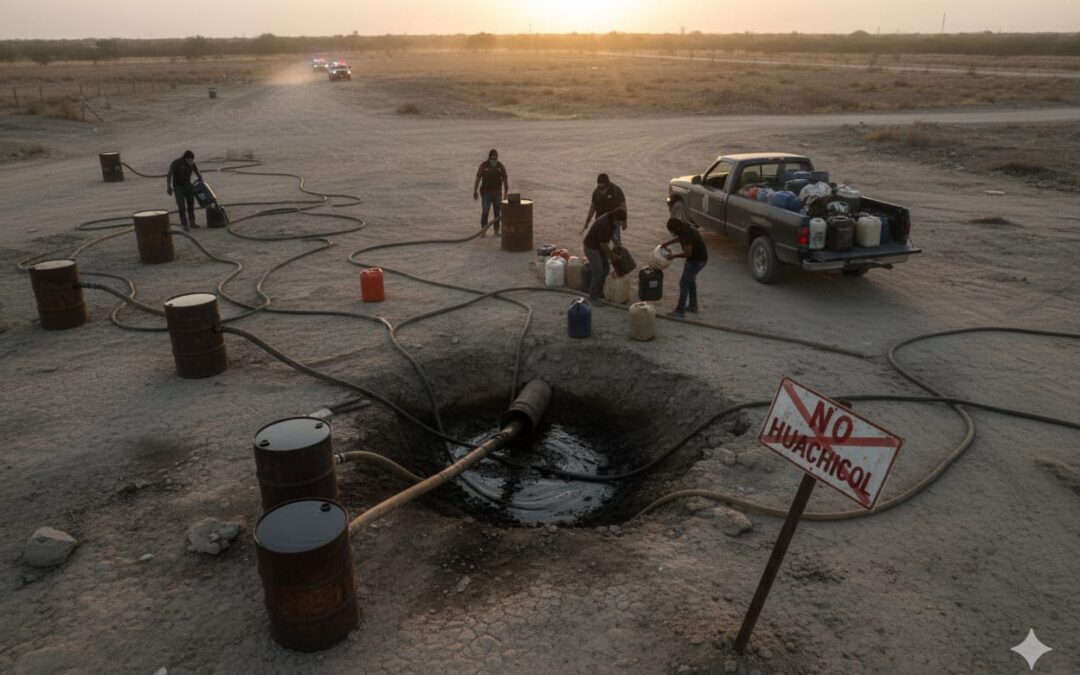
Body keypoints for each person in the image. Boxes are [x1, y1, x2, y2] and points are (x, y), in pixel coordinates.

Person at [661, 217, 709, 317]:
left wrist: (673, 256)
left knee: (684, 282)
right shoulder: (684, 226)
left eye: (673, 230)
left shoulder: (686, 233)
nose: (673, 233)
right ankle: (693, 306)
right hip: (700, 258)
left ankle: (680, 310)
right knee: (690, 280)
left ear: (677, 228)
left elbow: (688, 253)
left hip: (696, 260)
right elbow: (680, 238)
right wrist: (667, 243)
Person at [582, 209, 625, 301]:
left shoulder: (611, 218)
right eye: (620, 222)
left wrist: (616, 242)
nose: (620, 224)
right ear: (616, 219)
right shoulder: (605, 224)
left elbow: (611, 234)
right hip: (591, 248)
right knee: (598, 271)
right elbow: (603, 245)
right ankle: (593, 296)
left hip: (598, 246)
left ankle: (600, 291)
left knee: (606, 268)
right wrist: (612, 255)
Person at [582, 173, 627, 244]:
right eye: (599, 187)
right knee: (600, 240)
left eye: (603, 188)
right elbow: (592, 208)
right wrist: (587, 222)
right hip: (600, 220)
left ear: (608, 184)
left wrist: (624, 221)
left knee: (616, 240)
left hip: (614, 220)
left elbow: (623, 206)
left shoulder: (616, 190)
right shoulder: (596, 192)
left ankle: (617, 248)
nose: (601, 190)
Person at [473, 149, 508, 237]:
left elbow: (505, 180)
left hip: (497, 194)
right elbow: (478, 178)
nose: (494, 160)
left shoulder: (500, 166)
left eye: (495, 158)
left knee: (497, 213)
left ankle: (496, 230)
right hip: (486, 194)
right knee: (485, 212)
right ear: (489, 158)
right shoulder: (483, 166)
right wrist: (475, 191)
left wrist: (505, 194)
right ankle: (483, 231)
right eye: (492, 158)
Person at [166, 150, 203, 231]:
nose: (190, 161)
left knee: (191, 204)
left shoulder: (192, 163)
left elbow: (196, 170)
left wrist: (200, 178)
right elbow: (169, 174)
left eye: (192, 160)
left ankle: (192, 222)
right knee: (181, 206)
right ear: (185, 158)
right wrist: (169, 187)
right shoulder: (176, 163)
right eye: (189, 160)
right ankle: (184, 224)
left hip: (188, 185)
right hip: (178, 187)